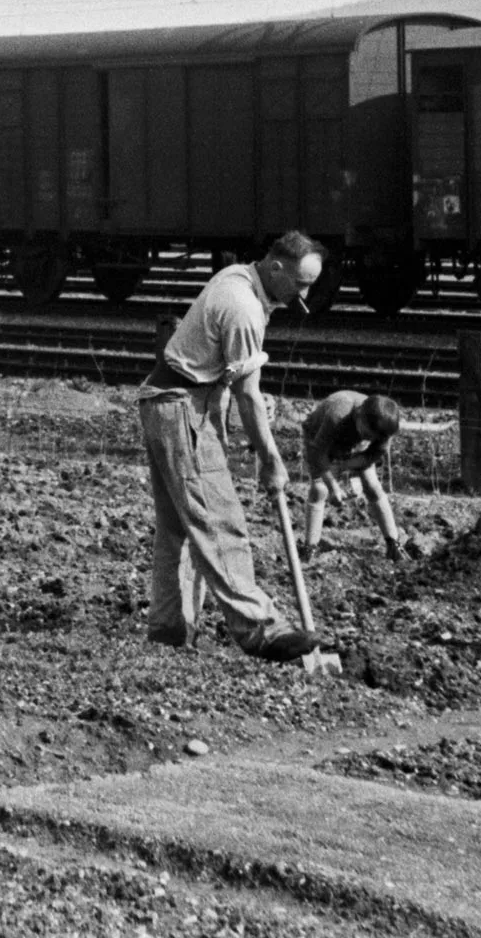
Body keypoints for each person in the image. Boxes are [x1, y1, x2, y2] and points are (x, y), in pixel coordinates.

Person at [136, 231, 327, 663]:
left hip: (168, 404)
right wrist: (271, 460)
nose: (305, 293)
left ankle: (170, 630)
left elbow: (224, 379)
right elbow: (248, 395)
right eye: (301, 282)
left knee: (179, 529)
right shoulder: (243, 307)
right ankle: (260, 631)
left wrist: (218, 426)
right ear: (276, 267)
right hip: (181, 409)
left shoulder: (238, 277)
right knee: (220, 522)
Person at [300, 391, 405, 562]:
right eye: (367, 434)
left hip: (354, 445)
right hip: (318, 437)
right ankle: (309, 547)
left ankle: (394, 544)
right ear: (359, 416)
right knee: (319, 490)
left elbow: (372, 455)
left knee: (373, 486)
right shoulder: (338, 413)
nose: (371, 438)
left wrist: (344, 466)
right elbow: (318, 453)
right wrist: (333, 485)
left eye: (373, 438)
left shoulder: (383, 427)